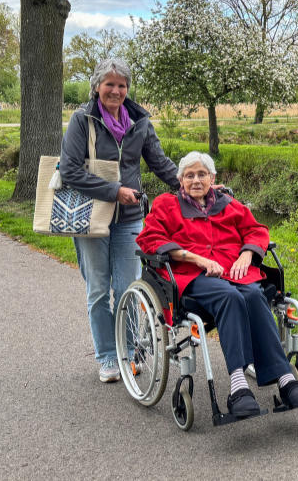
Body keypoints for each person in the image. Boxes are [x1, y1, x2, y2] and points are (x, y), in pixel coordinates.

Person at [136, 151, 298, 416]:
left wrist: (247, 253)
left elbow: (257, 230)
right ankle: (238, 386)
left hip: (235, 268)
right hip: (193, 274)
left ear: (212, 178)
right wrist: (196, 259)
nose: (196, 180)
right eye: (189, 175)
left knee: (254, 296)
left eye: (202, 174)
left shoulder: (228, 204)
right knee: (229, 297)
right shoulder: (166, 205)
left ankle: (286, 379)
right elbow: (150, 238)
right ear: (180, 180)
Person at [60, 58, 180, 383]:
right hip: (90, 218)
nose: (115, 90)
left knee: (128, 288)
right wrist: (114, 191)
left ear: (128, 89)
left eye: (121, 85)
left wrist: (191, 185)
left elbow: (159, 162)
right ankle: (108, 357)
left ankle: (128, 350)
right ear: (97, 86)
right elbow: (69, 171)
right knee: (99, 290)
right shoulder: (82, 120)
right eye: (109, 84)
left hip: (129, 218)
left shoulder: (139, 121)